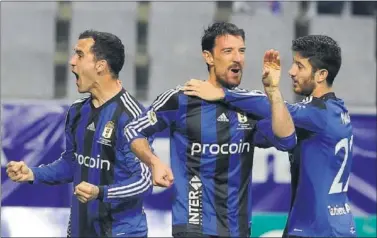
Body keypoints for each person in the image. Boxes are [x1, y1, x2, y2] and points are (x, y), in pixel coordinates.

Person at [124, 22, 297, 237]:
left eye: (241, 51)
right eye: (228, 51)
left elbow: (287, 140)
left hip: (238, 229)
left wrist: (273, 91)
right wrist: (154, 162)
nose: (237, 58)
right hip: (193, 225)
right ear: (208, 57)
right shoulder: (182, 98)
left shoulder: (249, 105)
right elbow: (133, 130)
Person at [183, 35, 357, 237]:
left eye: (299, 66)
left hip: (315, 227)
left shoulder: (317, 114)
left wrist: (222, 93)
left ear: (321, 75)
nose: (291, 72)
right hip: (341, 225)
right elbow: (268, 130)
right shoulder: (336, 111)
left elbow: (271, 106)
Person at [6, 30, 152, 237]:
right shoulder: (77, 111)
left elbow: (144, 181)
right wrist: (33, 173)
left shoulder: (132, 116)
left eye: (80, 55)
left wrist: (100, 192)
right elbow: (72, 162)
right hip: (80, 229)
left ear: (100, 65)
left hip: (120, 232)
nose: (72, 62)